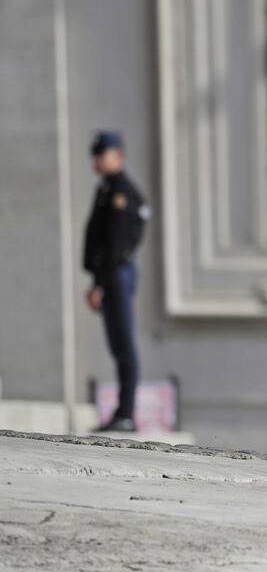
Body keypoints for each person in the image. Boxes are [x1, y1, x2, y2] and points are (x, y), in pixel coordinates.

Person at [83, 130, 150, 433]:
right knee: (117, 345)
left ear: (118, 155)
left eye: (102, 154)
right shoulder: (107, 190)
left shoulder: (123, 193)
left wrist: (101, 283)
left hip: (116, 275)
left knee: (124, 345)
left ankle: (126, 413)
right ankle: (122, 412)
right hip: (110, 275)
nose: (96, 160)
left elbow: (116, 246)